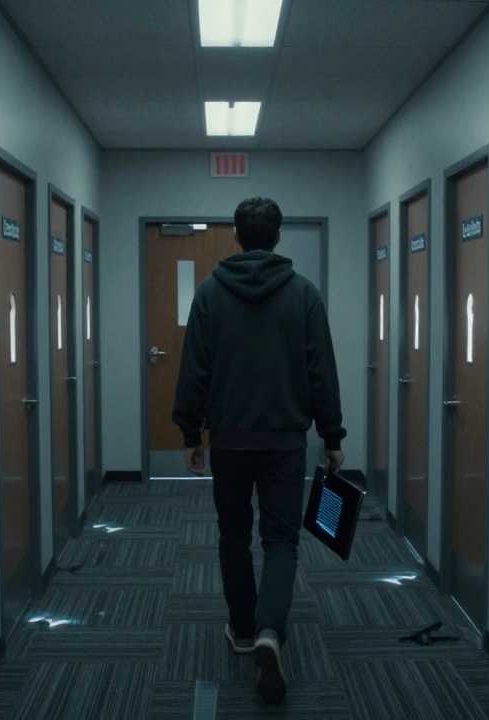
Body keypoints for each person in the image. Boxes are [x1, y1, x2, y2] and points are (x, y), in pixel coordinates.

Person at [172, 197, 346, 702]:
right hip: (286, 442)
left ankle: (243, 630)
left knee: (232, 535)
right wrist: (331, 436)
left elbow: (195, 369)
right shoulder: (304, 295)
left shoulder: (208, 294)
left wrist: (190, 433)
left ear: (235, 236)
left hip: (229, 441)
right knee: (281, 539)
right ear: (277, 237)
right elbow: (321, 372)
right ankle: (271, 629)